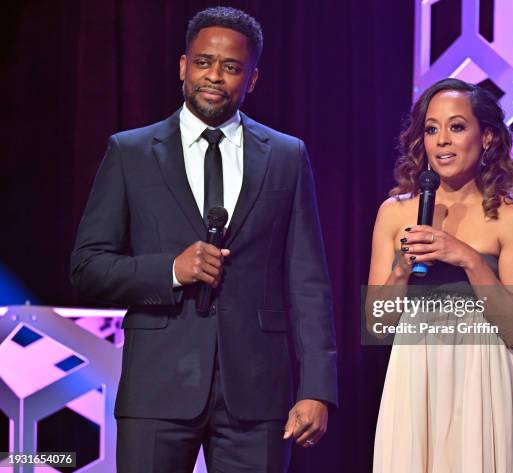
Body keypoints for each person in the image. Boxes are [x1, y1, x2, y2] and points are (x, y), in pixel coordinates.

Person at [70, 7, 337, 473]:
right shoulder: (130, 152)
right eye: (203, 62)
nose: (214, 76)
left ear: (251, 79)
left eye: (231, 67)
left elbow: (308, 280)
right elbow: (88, 266)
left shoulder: (287, 156)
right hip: (157, 387)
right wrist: (172, 270)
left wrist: (316, 387)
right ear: (182, 66)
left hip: (257, 396)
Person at [369, 78, 513, 472]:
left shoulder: (511, 220)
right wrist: (400, 270)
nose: (442, 140)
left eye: (457, 127)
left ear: (489, 138)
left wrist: (469, 259)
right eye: (431, 129)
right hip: (416, 376)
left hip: (483, 379)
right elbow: (377, 324)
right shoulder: (394, 213)